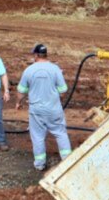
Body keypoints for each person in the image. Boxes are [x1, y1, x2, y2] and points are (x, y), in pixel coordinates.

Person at [15, 43, 71, 172]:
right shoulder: (55, 69)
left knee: (38, 137)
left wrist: (18, 102)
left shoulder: (29, 70)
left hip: (37, 111)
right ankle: (68, 161)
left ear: (35, 55)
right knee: (61, 134)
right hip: (54, 109)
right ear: (46, 55)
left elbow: (21, 91)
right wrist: (56, 98)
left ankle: (40, 164)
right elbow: (63, 91)